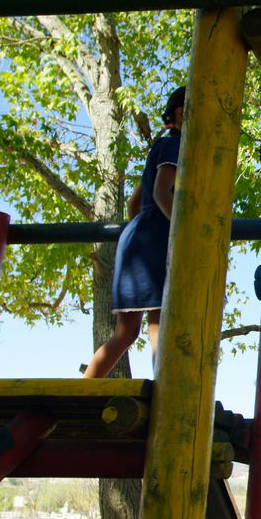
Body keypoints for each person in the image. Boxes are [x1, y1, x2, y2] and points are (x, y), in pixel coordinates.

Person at [83, 86, 185, 378]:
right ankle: (164, 398)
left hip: (137, 237)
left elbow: (134, 203)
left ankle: (81, 390)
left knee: (126, 334)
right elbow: (162, 193)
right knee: (159, 325)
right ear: (181, 113)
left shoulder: (161, 145)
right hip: (154, 239)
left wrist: (140, 231)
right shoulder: (177, 145)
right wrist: (179, 235)